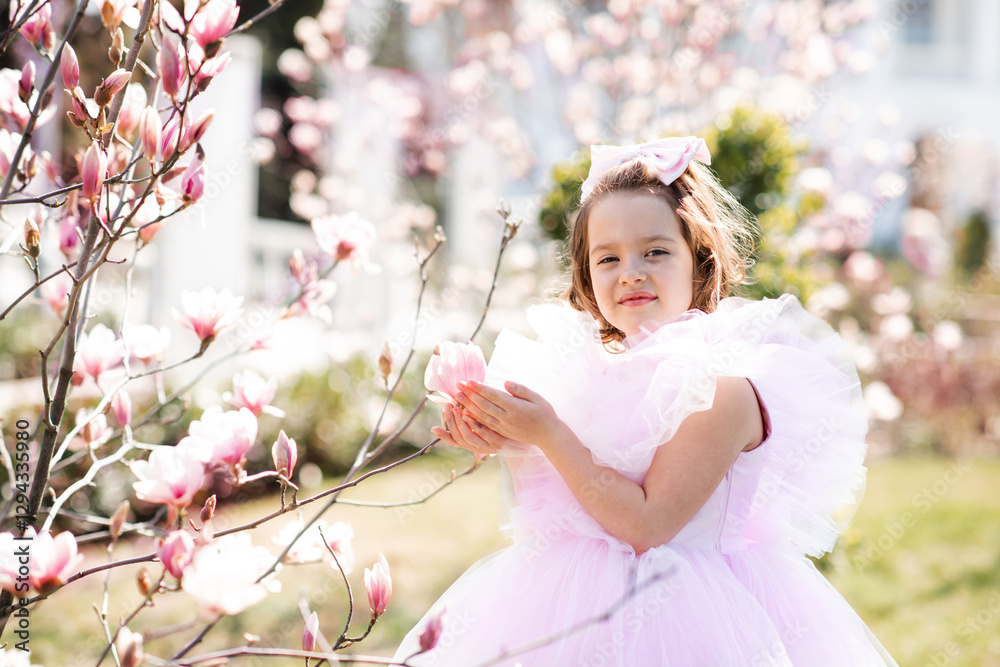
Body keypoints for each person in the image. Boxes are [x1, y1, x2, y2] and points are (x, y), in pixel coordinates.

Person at [394, 137, 898, 666]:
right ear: (587, 276)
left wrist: (548, 433)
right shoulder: (589, 374)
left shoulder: (722, 387)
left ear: (700, 262)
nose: (630, 271)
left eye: (655, 251)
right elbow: (561, 511)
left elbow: (645, 525)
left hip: (687, 614)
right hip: (567, 606)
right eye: (607, 258)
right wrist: (509, 442)